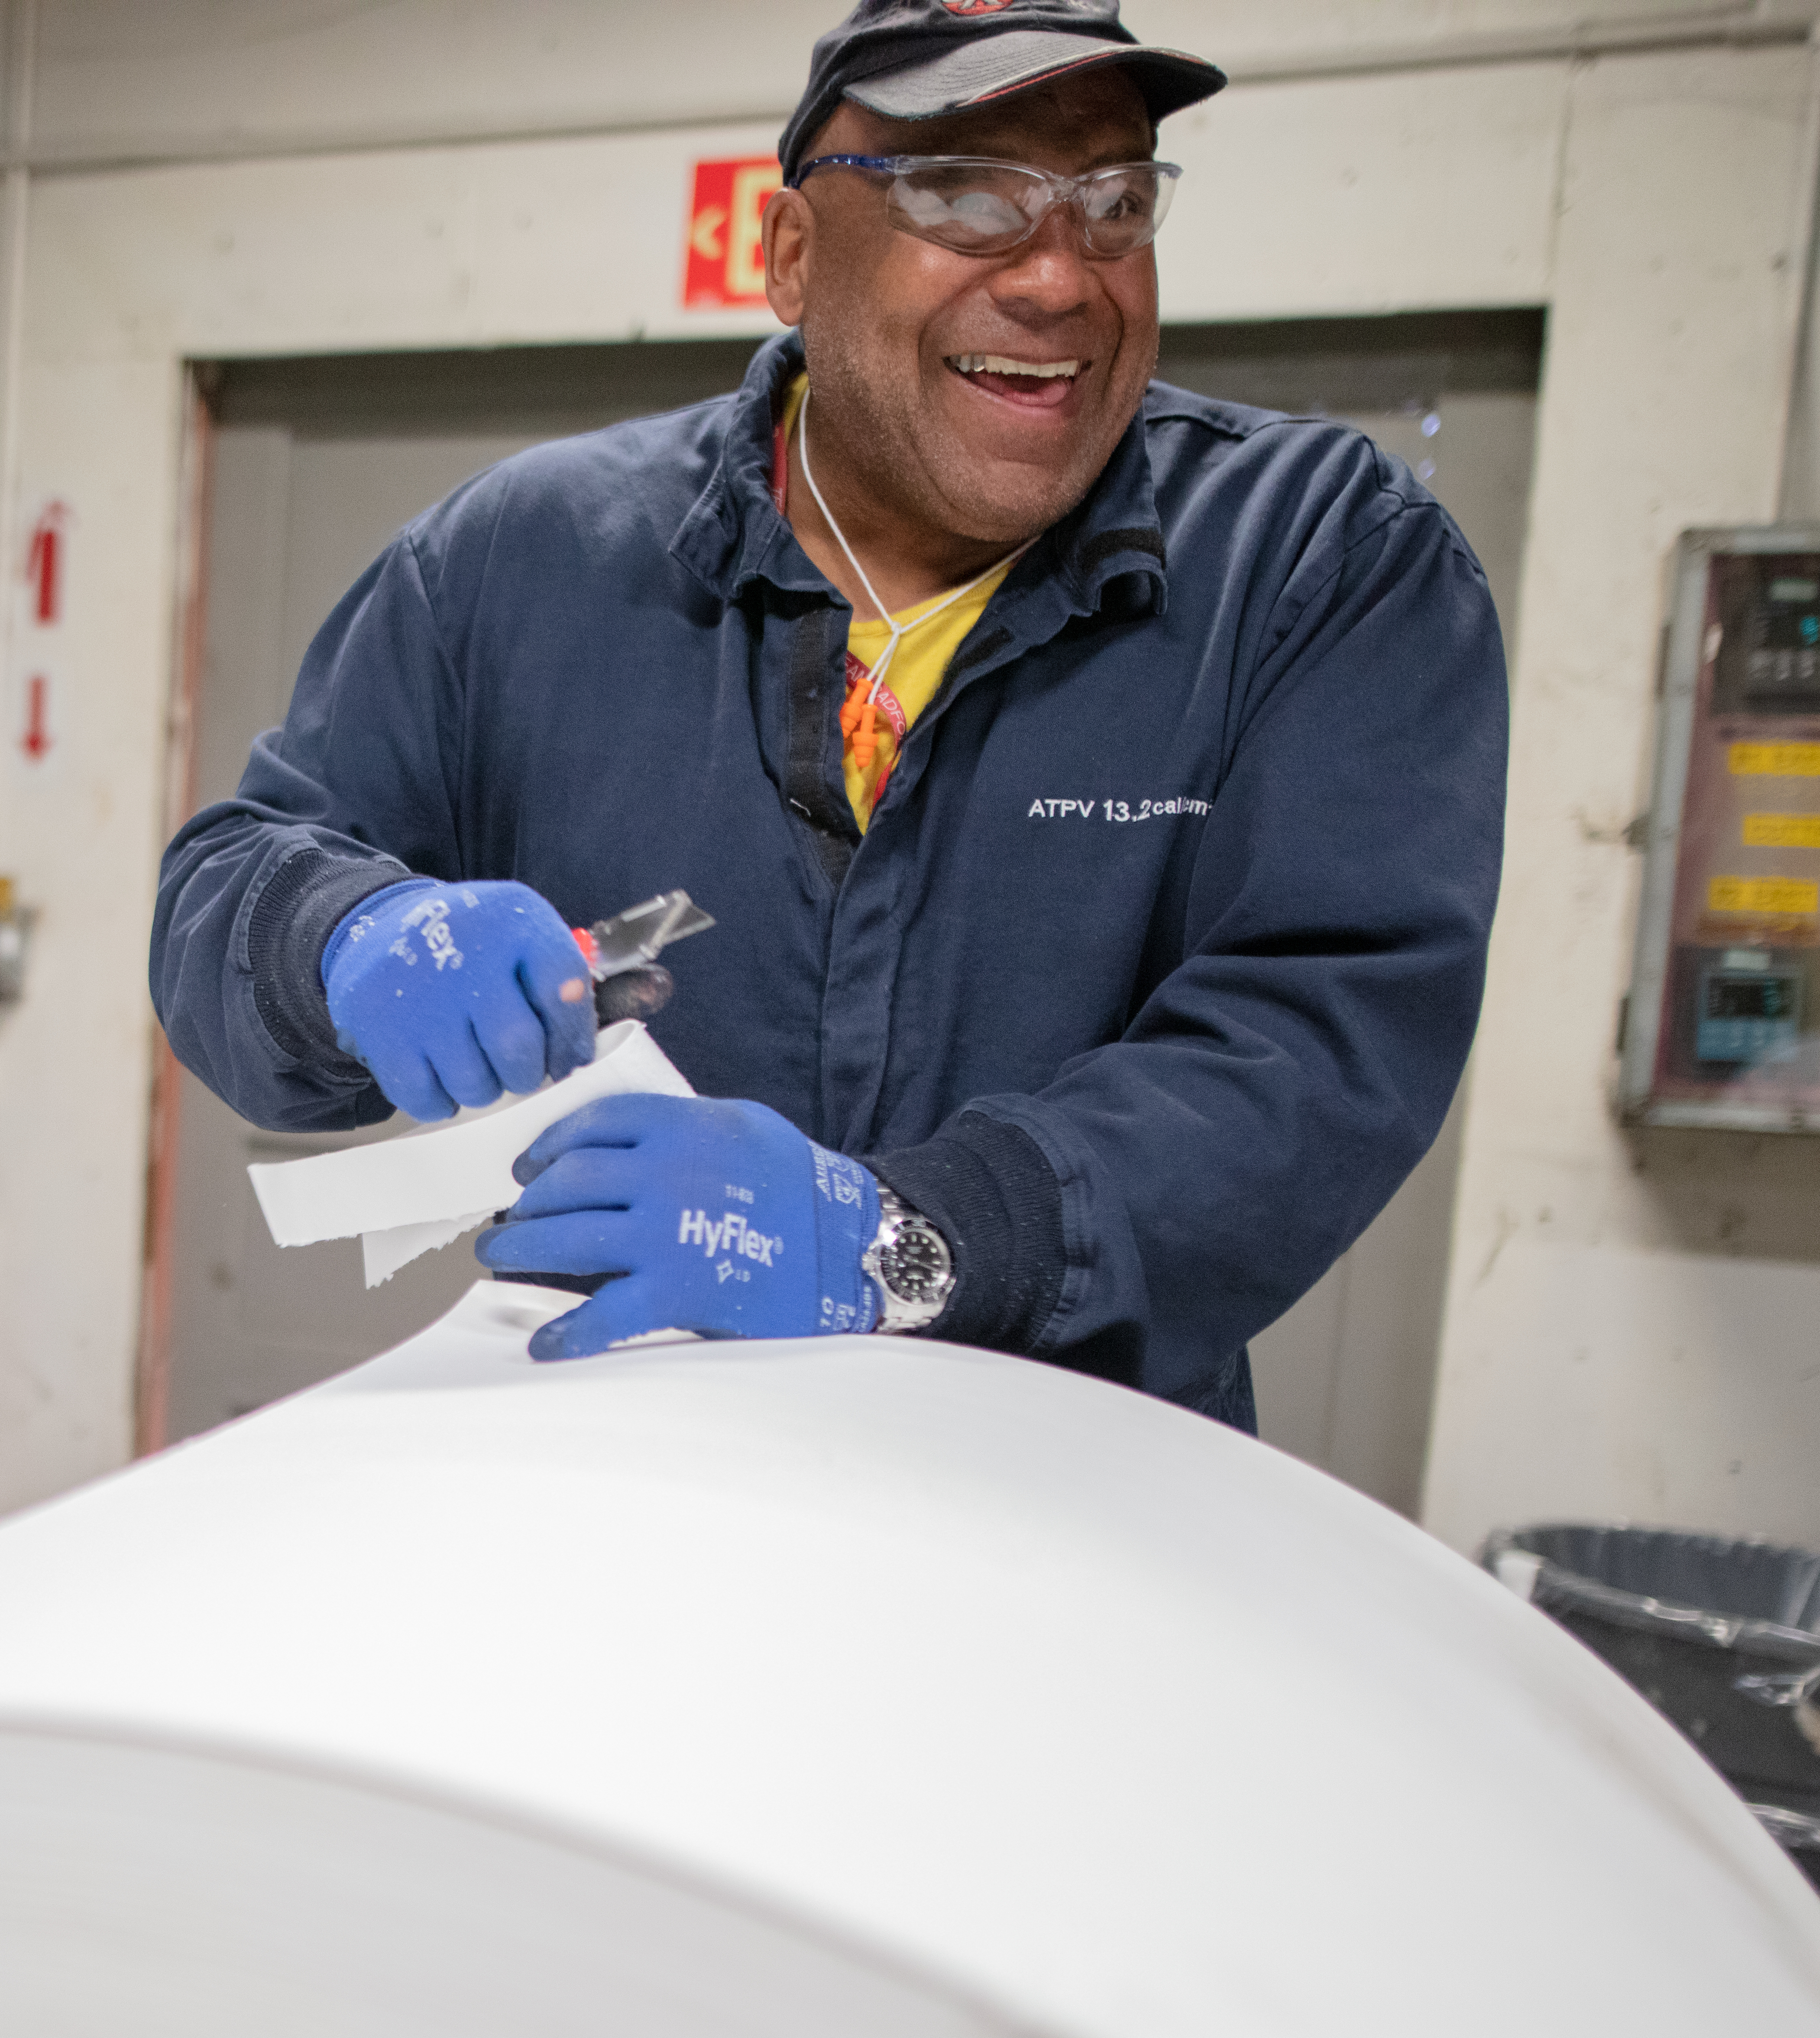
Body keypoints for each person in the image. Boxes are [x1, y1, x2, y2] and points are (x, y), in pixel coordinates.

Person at [146, 0, 1508, 1424]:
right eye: (968, 198)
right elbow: (230, 881)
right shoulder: (523, 564)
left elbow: (1316, 1053)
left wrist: (908, 1239)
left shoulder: (1311, 565)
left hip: (1067, 1526)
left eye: (1114, 204)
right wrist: (344, 939)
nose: (1059, 276)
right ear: (792, 255)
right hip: (617, 1490)